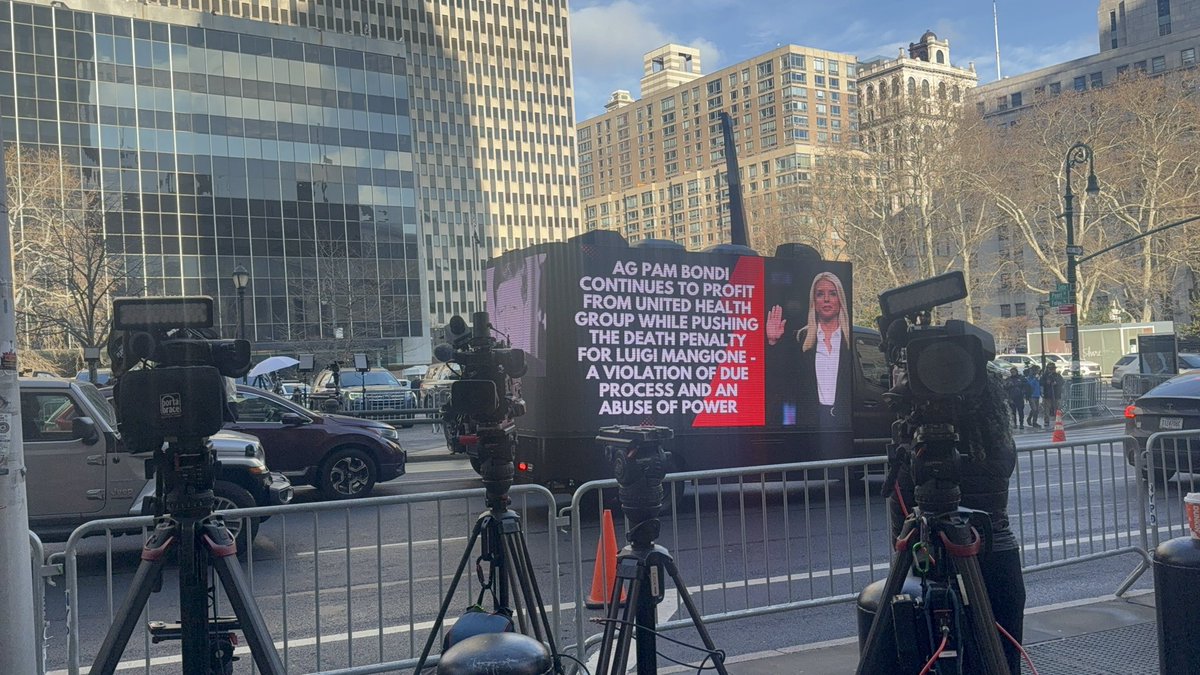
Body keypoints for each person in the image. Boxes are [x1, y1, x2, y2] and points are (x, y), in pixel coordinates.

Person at [887, 372, 1026, 674]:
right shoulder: (996, 441)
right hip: (997, 556)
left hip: (941, 563)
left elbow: (900, 515)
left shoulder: (918, 446)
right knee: (1002, 662)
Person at [765, 272, 852, 429]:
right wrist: (773, 342)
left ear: (840, 300)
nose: (826, 299)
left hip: (844, 426)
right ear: (814, 302)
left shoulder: (850, 340)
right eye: (820, 294)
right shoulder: (800, 339)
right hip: (810, 425)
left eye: (832, 293)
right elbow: (780, 381)